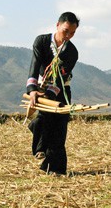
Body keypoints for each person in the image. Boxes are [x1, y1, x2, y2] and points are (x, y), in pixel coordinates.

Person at [26, 12, 80, 175]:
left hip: (62, 90)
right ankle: (36, 133)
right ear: (57, 25)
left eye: (72, 33)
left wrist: (49, 95)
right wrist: (33, 90)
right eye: (66, 31)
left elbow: (60, 79)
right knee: (44, 121)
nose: (68, 36)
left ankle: (54, 168)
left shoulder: (72, 52)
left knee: (60, 128)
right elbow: (34, 66)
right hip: (41, 88)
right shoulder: (41, 41)